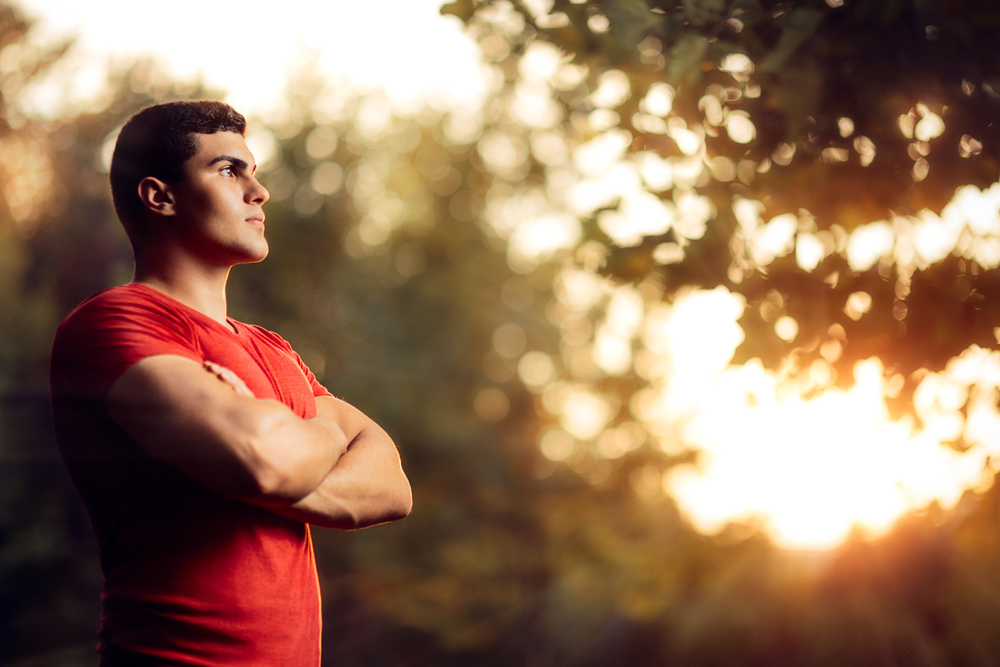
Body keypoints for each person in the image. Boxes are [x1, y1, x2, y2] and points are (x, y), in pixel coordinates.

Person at [49, 100, 412, 666]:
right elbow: (263, 457)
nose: (258, 191)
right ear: (159, 196)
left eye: (254, 171)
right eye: (227, 170)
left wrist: (274, 462)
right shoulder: (113, 323)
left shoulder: (273, 348)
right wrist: (322, 436)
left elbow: (391, 486)